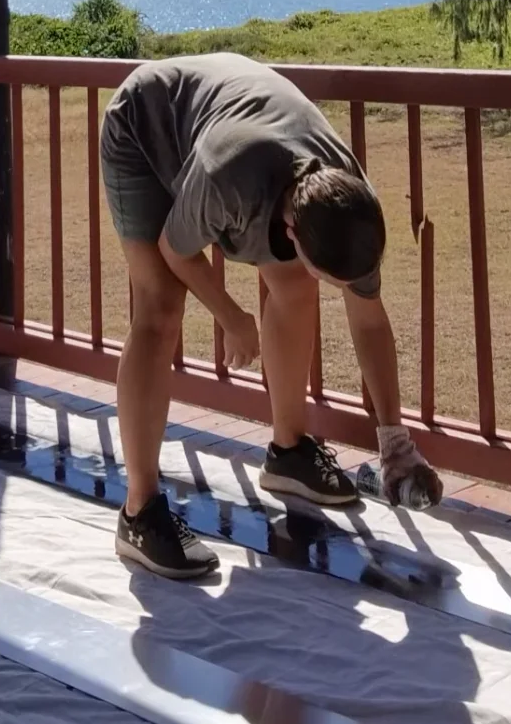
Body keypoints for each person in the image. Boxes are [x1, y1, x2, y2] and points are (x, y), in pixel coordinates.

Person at [101, 52, 443, 580]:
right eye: (335, 276)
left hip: (238, 125)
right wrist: (232, 317)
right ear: (290, 235)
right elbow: (175, 248)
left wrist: (394, 441)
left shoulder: (347, 200)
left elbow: (370, 321)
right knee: (160, 307)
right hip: (145, 126)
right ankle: (139, 514)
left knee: (293, 282)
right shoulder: (227, 174)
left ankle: (289, 453)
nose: (344, 288)